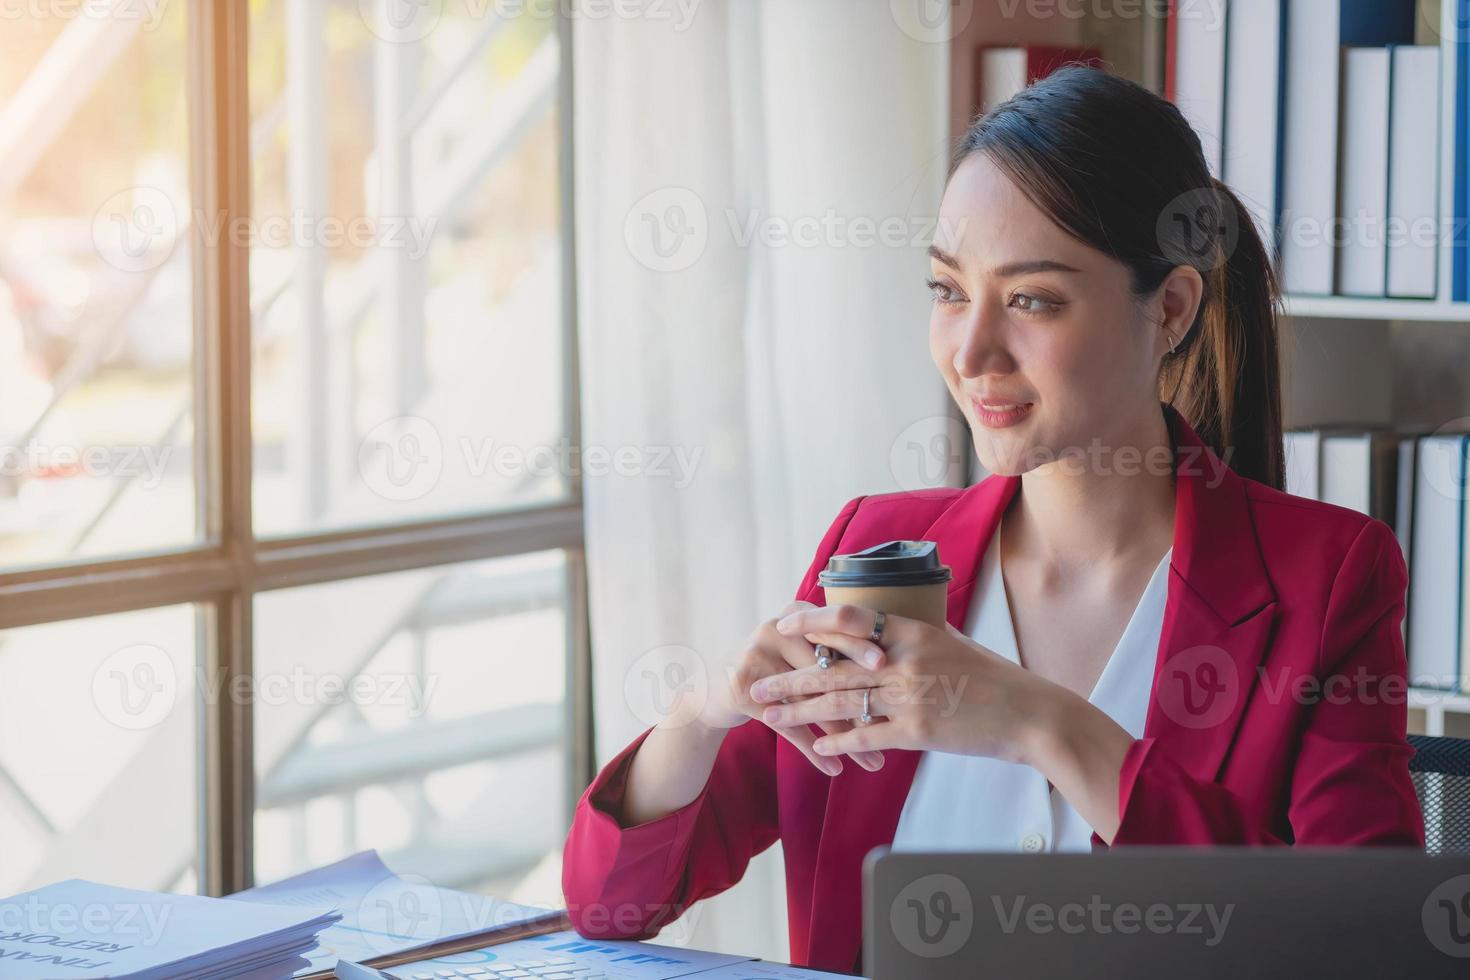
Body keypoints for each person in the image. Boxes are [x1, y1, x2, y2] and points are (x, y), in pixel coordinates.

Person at [560, 65, 1425, 974]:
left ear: (1169, 309)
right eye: (947, 291)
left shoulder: (1325, 578)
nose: (971, 352)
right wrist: (703, 717)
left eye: (1032, 300)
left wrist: (1044, 727)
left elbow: (1362, 946)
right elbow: (611, 904)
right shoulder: (872, 551)